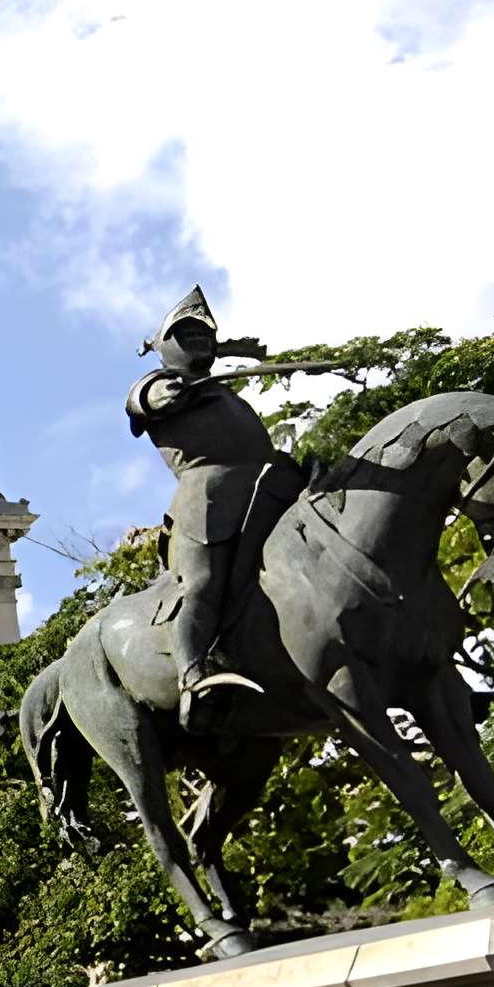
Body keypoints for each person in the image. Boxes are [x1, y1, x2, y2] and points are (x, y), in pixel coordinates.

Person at [127, 285, 300, 724]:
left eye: (205, 335)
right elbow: (143, 401)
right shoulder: (159, 382)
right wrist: (163, 395)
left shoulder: (225, 395)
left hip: (269, 485)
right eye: (188, 336)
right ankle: (192, 678)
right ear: (168, 345)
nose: (199, 341)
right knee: (201, 585)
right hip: (207, 498)